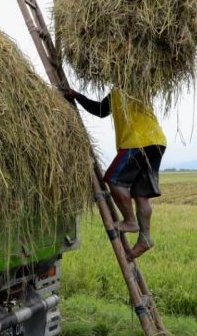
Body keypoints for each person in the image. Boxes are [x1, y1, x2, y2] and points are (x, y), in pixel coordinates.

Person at [67, 87, 166, 259]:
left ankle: (130, 221)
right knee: (140, 194)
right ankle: (145, 238)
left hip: (138, 142)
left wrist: (77, 96)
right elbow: (100, 110)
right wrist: (77, 96)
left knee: (114, 179)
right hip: (156, 141)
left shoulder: (133, 81)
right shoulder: (118, 91)